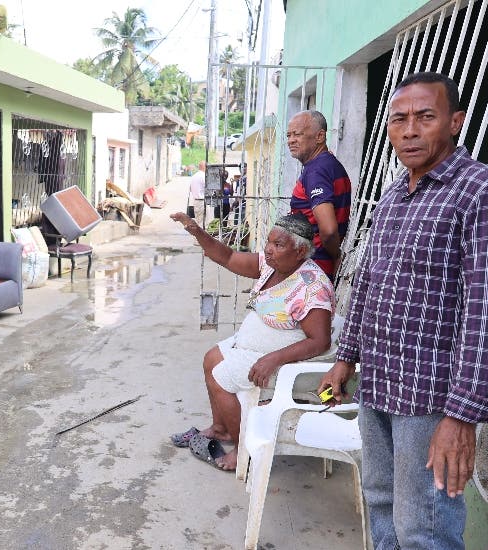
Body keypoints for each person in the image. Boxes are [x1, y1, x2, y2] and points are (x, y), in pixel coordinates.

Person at [319, 72, 488, 549]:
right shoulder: (395, 195)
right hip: (379, 384)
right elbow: (370, 282)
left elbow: (483, 310)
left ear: (455, 123)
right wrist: (345, 357)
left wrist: (462, 417)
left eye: (425, 117)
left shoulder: (477, 192)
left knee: (424, 529)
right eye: (399, 120)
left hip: (433, 401)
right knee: (379, 503)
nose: (410, 130)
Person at [169, 211, 335, 471]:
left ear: (301, 250)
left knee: (222, 376)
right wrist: (197, 232)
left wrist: (273, 359)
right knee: (211, 358)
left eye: (278, 245)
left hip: (283, 360)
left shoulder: (312, 286)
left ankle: (241, 449)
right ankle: (222, 428)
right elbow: (229, 257)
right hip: (256, 347)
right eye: (269, 242)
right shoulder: (271, 265)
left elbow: (320, 341)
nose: (268, 250)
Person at [287, 110, 352, 279]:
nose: (291, 140)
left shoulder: (316, 171)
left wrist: (336, 256)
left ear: (320, 136)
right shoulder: (328, 164)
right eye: (288, 135)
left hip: (314, 269)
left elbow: (329, 230)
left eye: (298, 134)